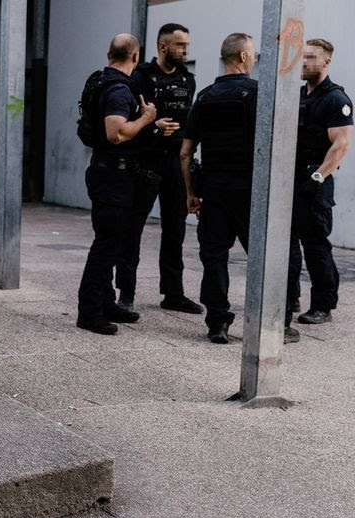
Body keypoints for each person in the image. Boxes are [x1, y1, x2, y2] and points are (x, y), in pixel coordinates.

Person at [116, 23, 202, 315]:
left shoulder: (187, 80)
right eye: (181, 45)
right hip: (146, 161)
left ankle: (173, 293)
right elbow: (125, 123)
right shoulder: (139, 77)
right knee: (133, 228)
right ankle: (125, 294)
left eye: (187, 45)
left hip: (177, 163)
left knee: (175, 230)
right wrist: (153, 126)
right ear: (163, 47)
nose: (186, 50)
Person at [76, 34, 159, 335]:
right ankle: (89, 312)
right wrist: (147, 119)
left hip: (106, 173)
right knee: (106, 245)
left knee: (111, 241)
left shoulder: (102, 81)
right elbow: (116, 133)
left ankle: (107, 302)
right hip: (113, 177)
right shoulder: (119, 90)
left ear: (108, 53)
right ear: (135, 57)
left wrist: (146, 123)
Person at [179, 33, 259, 344]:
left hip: (213, 189)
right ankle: (271, 321)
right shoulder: (258, 93)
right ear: (242, 57)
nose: (252, 59)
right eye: (251, 54)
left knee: (214, 256)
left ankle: (217, 322)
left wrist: (190, 193)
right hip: (250, 190)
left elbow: (185, 152)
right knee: (262, 257)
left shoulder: (205, 97)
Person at [286, 38, 353, 327]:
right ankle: (290, 297)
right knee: (287, 244)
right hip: (291, 179)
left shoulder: (336, 99)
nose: (304, 62)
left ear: (326, 62)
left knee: (315, 245)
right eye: (302, 57)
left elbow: (341, 144)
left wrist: (317, 177)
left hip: (315, 180)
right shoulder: (298, 95)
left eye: (311, 57)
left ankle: (323, 304)